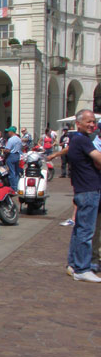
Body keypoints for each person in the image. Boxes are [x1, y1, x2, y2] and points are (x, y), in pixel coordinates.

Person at [63, 109, 101, 281]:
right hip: (89, 190)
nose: (92, 125)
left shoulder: (75, 140)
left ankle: (73, 264)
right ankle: (82, 268)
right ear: (78, 123)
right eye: (89, 121)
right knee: (86, 231)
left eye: (94, 121)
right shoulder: (83, 140)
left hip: (82, 189)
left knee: (79, 230)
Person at [4, 126, 23, 191]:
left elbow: (8, 150)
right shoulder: (19, 139)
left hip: (11, 155)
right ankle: (18, 186)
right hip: (17, 155)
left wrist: (3, 150)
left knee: (12, 172)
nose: (8, 133)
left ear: (11, 132)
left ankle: (13, 188)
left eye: (8, 131)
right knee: (16, 172)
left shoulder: (11, 139)